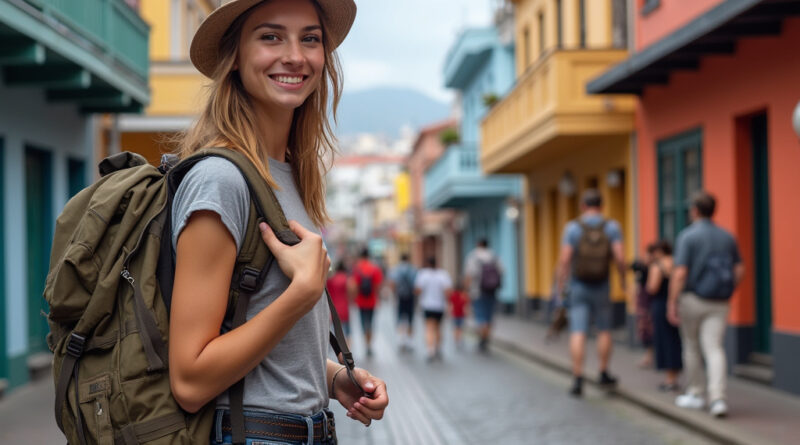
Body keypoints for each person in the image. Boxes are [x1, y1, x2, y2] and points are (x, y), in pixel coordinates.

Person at [169, 1, 388, 443]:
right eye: (271, 37)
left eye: (310, 38)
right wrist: (303, 294)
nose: (295, 55)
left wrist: (330, 379)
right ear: (235, 57)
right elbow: (190, 379)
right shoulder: (221, 179)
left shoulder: (287, 174)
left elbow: (256, 338)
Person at [668, 192, 744, 418]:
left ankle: (696, 393)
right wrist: (730, 289)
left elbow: (680, 272)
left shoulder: (687, 236)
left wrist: (672, 301)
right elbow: (739, 269)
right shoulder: (727, 237)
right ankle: (718, 399)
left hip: (693, 298)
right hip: (719, 301)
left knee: (691, 346)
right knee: (714, 348)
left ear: (695, 210)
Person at [556, 189, 627, 397]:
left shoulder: (572, 228)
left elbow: (565, 259)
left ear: (582, 206)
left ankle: (578, 377)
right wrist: (622, 280)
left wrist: (561, 284)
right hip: (602, 285)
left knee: (578, 331)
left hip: (578, 285)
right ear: (602, 206)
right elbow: (620, 258)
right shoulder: (612, 227)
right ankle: (603, 372)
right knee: (604, 330)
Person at [646, 240, 682, 392]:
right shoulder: (675, 262)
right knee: (675, 340)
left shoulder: (657, 266)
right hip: (677, 304)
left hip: (661, 305)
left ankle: (670, 378)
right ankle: (675, 375)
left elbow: (652, 288)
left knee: (664, 340)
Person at [464, 239, 503, 352]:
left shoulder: (473, 256)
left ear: (478, 245)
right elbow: (502, 272)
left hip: (477, 292)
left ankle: (482, 338)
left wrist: (466, 291)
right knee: (489, 316)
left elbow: (469, 275)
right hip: (492, 291)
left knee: (480, 316)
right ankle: (486, 338)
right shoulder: (494, 256)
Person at [414, 256, 453, 362]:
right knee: (439, 328)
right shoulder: (443, 275)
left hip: (427, 305)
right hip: (440, 306)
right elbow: (448, 292)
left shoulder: (423, 274)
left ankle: (430, 350)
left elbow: (417, 290)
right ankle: (438, 348)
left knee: (429, 328)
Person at [351, 248, 384, 357]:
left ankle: (365, 343)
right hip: (372, 300)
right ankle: (369, 344)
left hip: (360, 301)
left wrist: (353, 298)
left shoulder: (357, 268)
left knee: (363, 322)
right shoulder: (375, 268)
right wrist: (378, 298)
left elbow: (354, 285)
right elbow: (378, 286)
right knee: (371, 322)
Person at [388, 253, 417, 352]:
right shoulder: (413, 269)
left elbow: (392, 283)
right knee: (410, 319)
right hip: (410, 297)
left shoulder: (396, 270)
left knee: (400, 318)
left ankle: (401, 340)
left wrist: (394, 293)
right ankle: (409, 341)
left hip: (400, 297)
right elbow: (416, 284)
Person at [631, 250, 654, 368]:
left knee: (649, 329)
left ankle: (650, 356)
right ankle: (648, 356)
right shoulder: (643, 269)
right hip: (643, 302)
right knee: (644, 329)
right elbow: (632, 266)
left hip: (648, 303)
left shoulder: (653, 269)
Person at [327, 262, 352, 345]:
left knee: (335, 329)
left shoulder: (331, 279)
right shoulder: (346, 278)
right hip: (344, 307)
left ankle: (337, 346)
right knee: (347, 329)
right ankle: (347, 346)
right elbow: (351, 291)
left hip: (334, 308)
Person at [449, 282, 470, 350]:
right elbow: (466, 306)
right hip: (461, 315)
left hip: (455, 314)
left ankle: (456, 340)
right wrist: (467, 313)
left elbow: (451, 305)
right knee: (460, 328)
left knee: (456, 328)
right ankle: (459, 339)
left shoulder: (453, 295)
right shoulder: (464, 296)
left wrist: (450, 312)